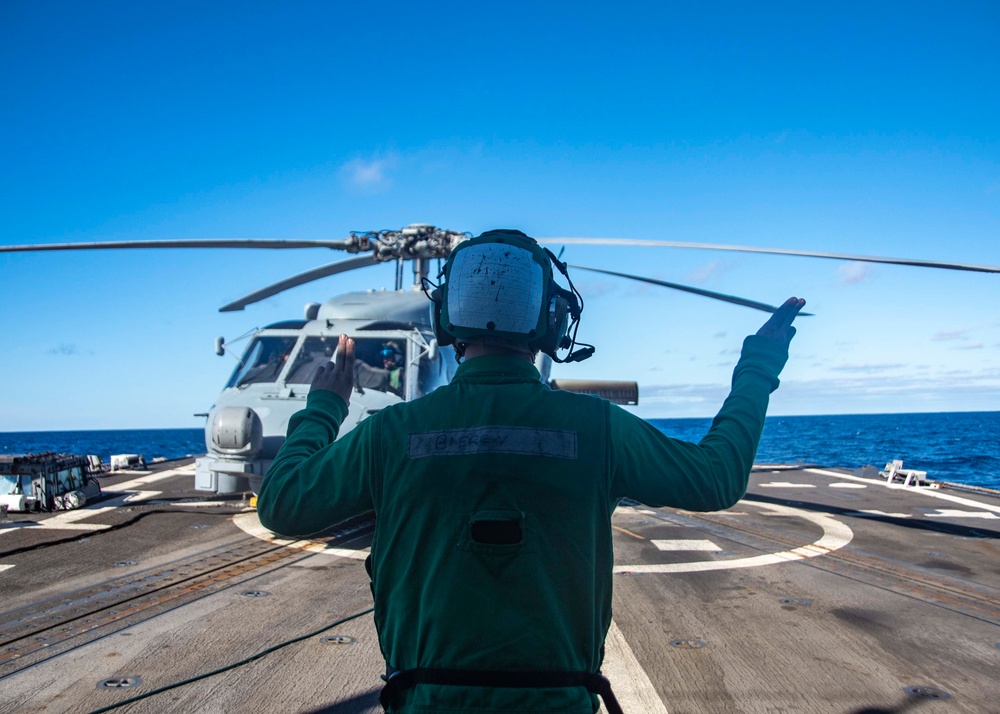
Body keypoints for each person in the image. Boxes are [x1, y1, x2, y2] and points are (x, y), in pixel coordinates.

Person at [257, 229, 805, 713]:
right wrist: (759, 365)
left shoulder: (390, 433)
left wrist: (324, 407)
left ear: (445, 318)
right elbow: (716, 476)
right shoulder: (598, 428)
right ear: (552, 321)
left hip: (424, 701)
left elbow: (283, 505)